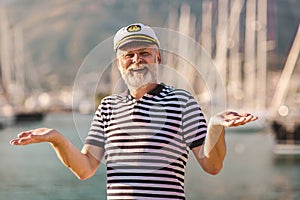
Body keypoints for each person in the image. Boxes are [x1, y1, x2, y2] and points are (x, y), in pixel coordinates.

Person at [10, 23, 258, 200]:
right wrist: (57, 139)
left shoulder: (182, 101)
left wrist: (215, 127)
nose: (136, 60)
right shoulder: (107, 107)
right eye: (128, 55)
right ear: (119, 63)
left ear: (157, 58)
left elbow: (212, 165)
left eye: (144, 53)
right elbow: (85, 169)